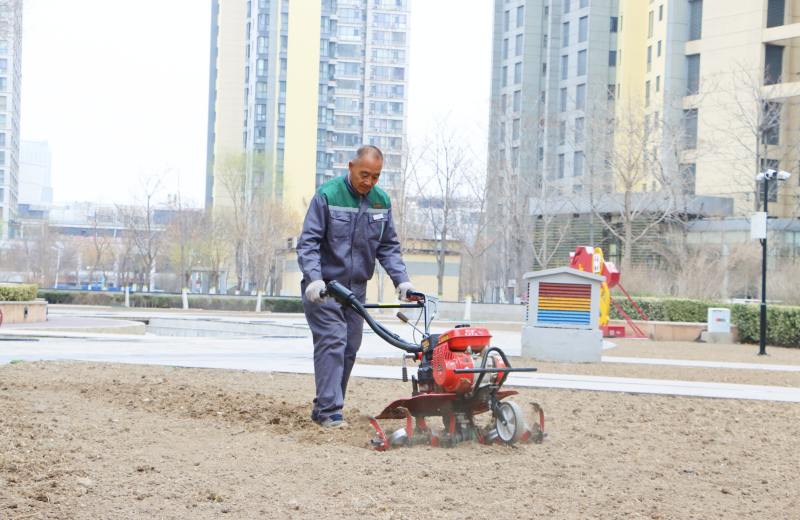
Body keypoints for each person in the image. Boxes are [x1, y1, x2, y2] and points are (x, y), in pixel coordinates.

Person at [296, 145, 415, 428]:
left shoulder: (380, 201)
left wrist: (403, 281)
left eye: (375, 177)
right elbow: (308, 242)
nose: (369, 182)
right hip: (324, 290)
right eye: (364, 174)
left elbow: (388, 246)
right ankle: (330, 412)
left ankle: (325, 406)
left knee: (349, 347)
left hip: (356, 292)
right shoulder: (327, 195)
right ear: (350, 166)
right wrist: (313, 279)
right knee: (333, 341)